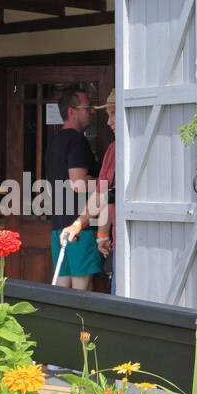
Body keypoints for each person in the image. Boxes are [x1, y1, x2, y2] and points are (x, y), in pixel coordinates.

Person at [44, 85, 102, 290]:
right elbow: (78, 183)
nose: (92, 112)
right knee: (81, 290)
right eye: (88, 107)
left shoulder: (54, 141)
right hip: (80, 226)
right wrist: (106, 183)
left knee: (62, 287)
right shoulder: (77, 141)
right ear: (72, 111)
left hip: (58, 225)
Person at [67, 89, 116, 290]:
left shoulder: (120, 148)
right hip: (119, 244)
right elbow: (105, 194)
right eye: (108, 115)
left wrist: (81, 224)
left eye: (113, 114)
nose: (109, 122)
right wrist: (102, 235)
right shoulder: (114, 149)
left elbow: (107, 194)